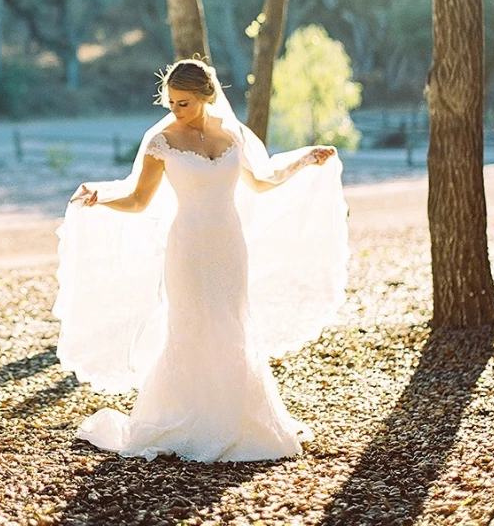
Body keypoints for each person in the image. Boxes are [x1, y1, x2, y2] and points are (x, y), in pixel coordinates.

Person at [54, 58, 349, 462]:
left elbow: (262, 181)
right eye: (171, 102)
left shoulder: (231, 134)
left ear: (207, 97)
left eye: (185, 103)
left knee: (231, 321)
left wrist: (304, 159)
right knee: (191, 324)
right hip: (188, 247)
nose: (176, 111)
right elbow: (139, 200)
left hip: (229, 244)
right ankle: (188, 418)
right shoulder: (161, 141)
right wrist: (100, 198)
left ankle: (239, 416)